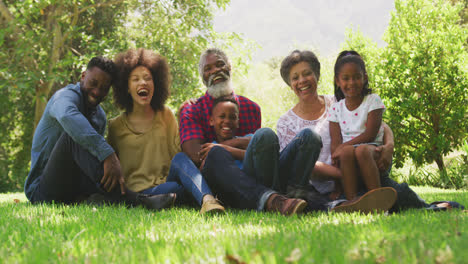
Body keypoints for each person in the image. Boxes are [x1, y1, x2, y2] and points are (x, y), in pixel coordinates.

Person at [277, 50, 461, 213]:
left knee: (398, 193)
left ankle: (434, 207)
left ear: (316, 75)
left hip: (361, 170)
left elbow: (381, 126)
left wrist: (388, 147)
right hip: (324, 188)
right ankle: (353, 202)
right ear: (289, 83)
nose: (302, 81)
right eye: (295, 78)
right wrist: (343, 174)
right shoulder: (286, 122)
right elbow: (299, 166)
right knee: (328, 204)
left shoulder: (339, 101)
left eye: (307, 74)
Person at [24, 56, 175, 210]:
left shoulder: (99, 117)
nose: (97, 91)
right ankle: (138, 201)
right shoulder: (65, 97)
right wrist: (108, 154)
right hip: (42, 192)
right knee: (73, 137)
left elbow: (90, 161)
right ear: (83, 76)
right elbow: (66, 116)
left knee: (97, 158)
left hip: (72, 190)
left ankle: (99, 198)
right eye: (93, 83)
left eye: (104, 88)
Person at [178, 48, 307, 215]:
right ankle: (274, 200)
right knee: (215, 156)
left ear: (230, 67)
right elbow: (197, 155)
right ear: (202, 77)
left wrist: (223, 146)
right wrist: (228, 149)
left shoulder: (251, 108)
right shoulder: (192, 109)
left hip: (251, 177)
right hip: (217, 186)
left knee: (269, 136)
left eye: (220, 64)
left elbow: (258, 152)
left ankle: (294, 199)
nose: (215, 71)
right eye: (208, 69)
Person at [108, 48, 224, 214]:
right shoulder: (115, 126)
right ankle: (184, 197)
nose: (143, 83)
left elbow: (179, 156)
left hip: (168, 185)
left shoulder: (166, 115)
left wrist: (182, 115)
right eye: (135, 79)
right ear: (126, 87)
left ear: (156, 84)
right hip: (138, 193)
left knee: (180, 165)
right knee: (180, 189)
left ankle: (208, 200)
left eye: (148, 78)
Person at [328, 50, 397, 208]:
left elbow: (370, 134)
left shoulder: (373, 101)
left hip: (373, 149)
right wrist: (336, 184)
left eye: (356, 77)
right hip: (349, 157)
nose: (351, 83)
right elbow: (335, 144)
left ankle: (377, 200)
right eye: (346, 78)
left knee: (361, 150)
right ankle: (353, 201)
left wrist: (343, 147)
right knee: (345, 152)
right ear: (337, 81)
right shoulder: (336, 109)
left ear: (364, 78)